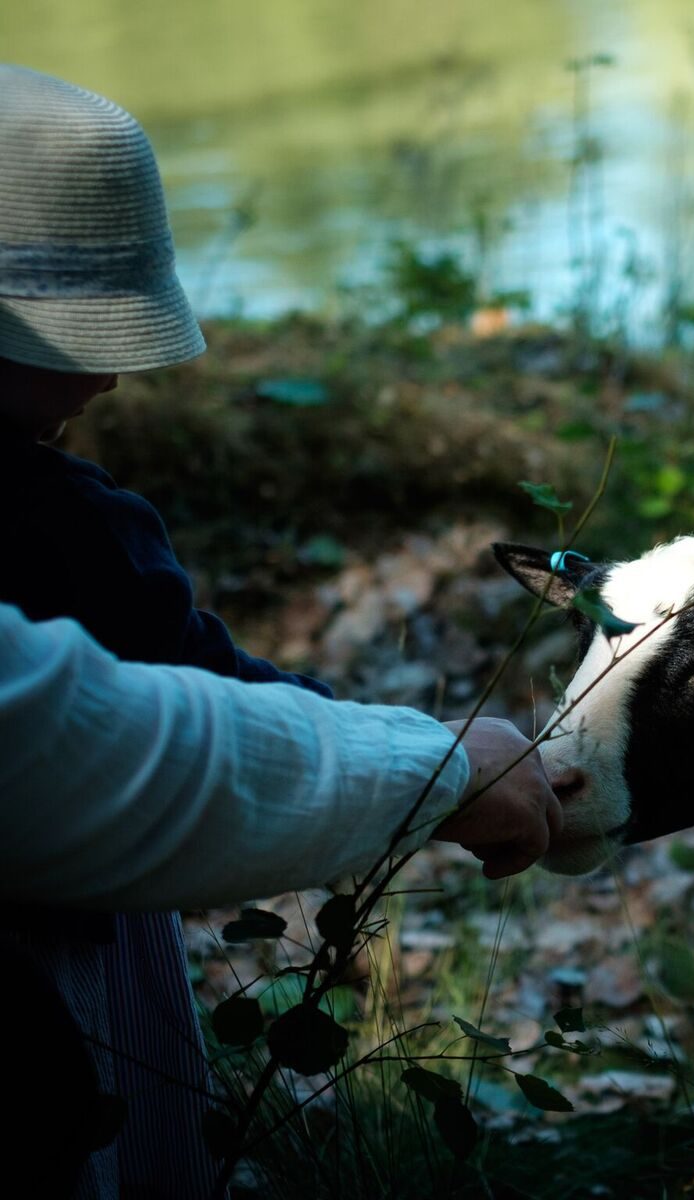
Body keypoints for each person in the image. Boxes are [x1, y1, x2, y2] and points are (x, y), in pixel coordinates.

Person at [0, 65, 560, 1196]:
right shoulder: (72, 524)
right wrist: (436, 771)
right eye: (65, 346)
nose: (108, 375)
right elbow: (162, 718)